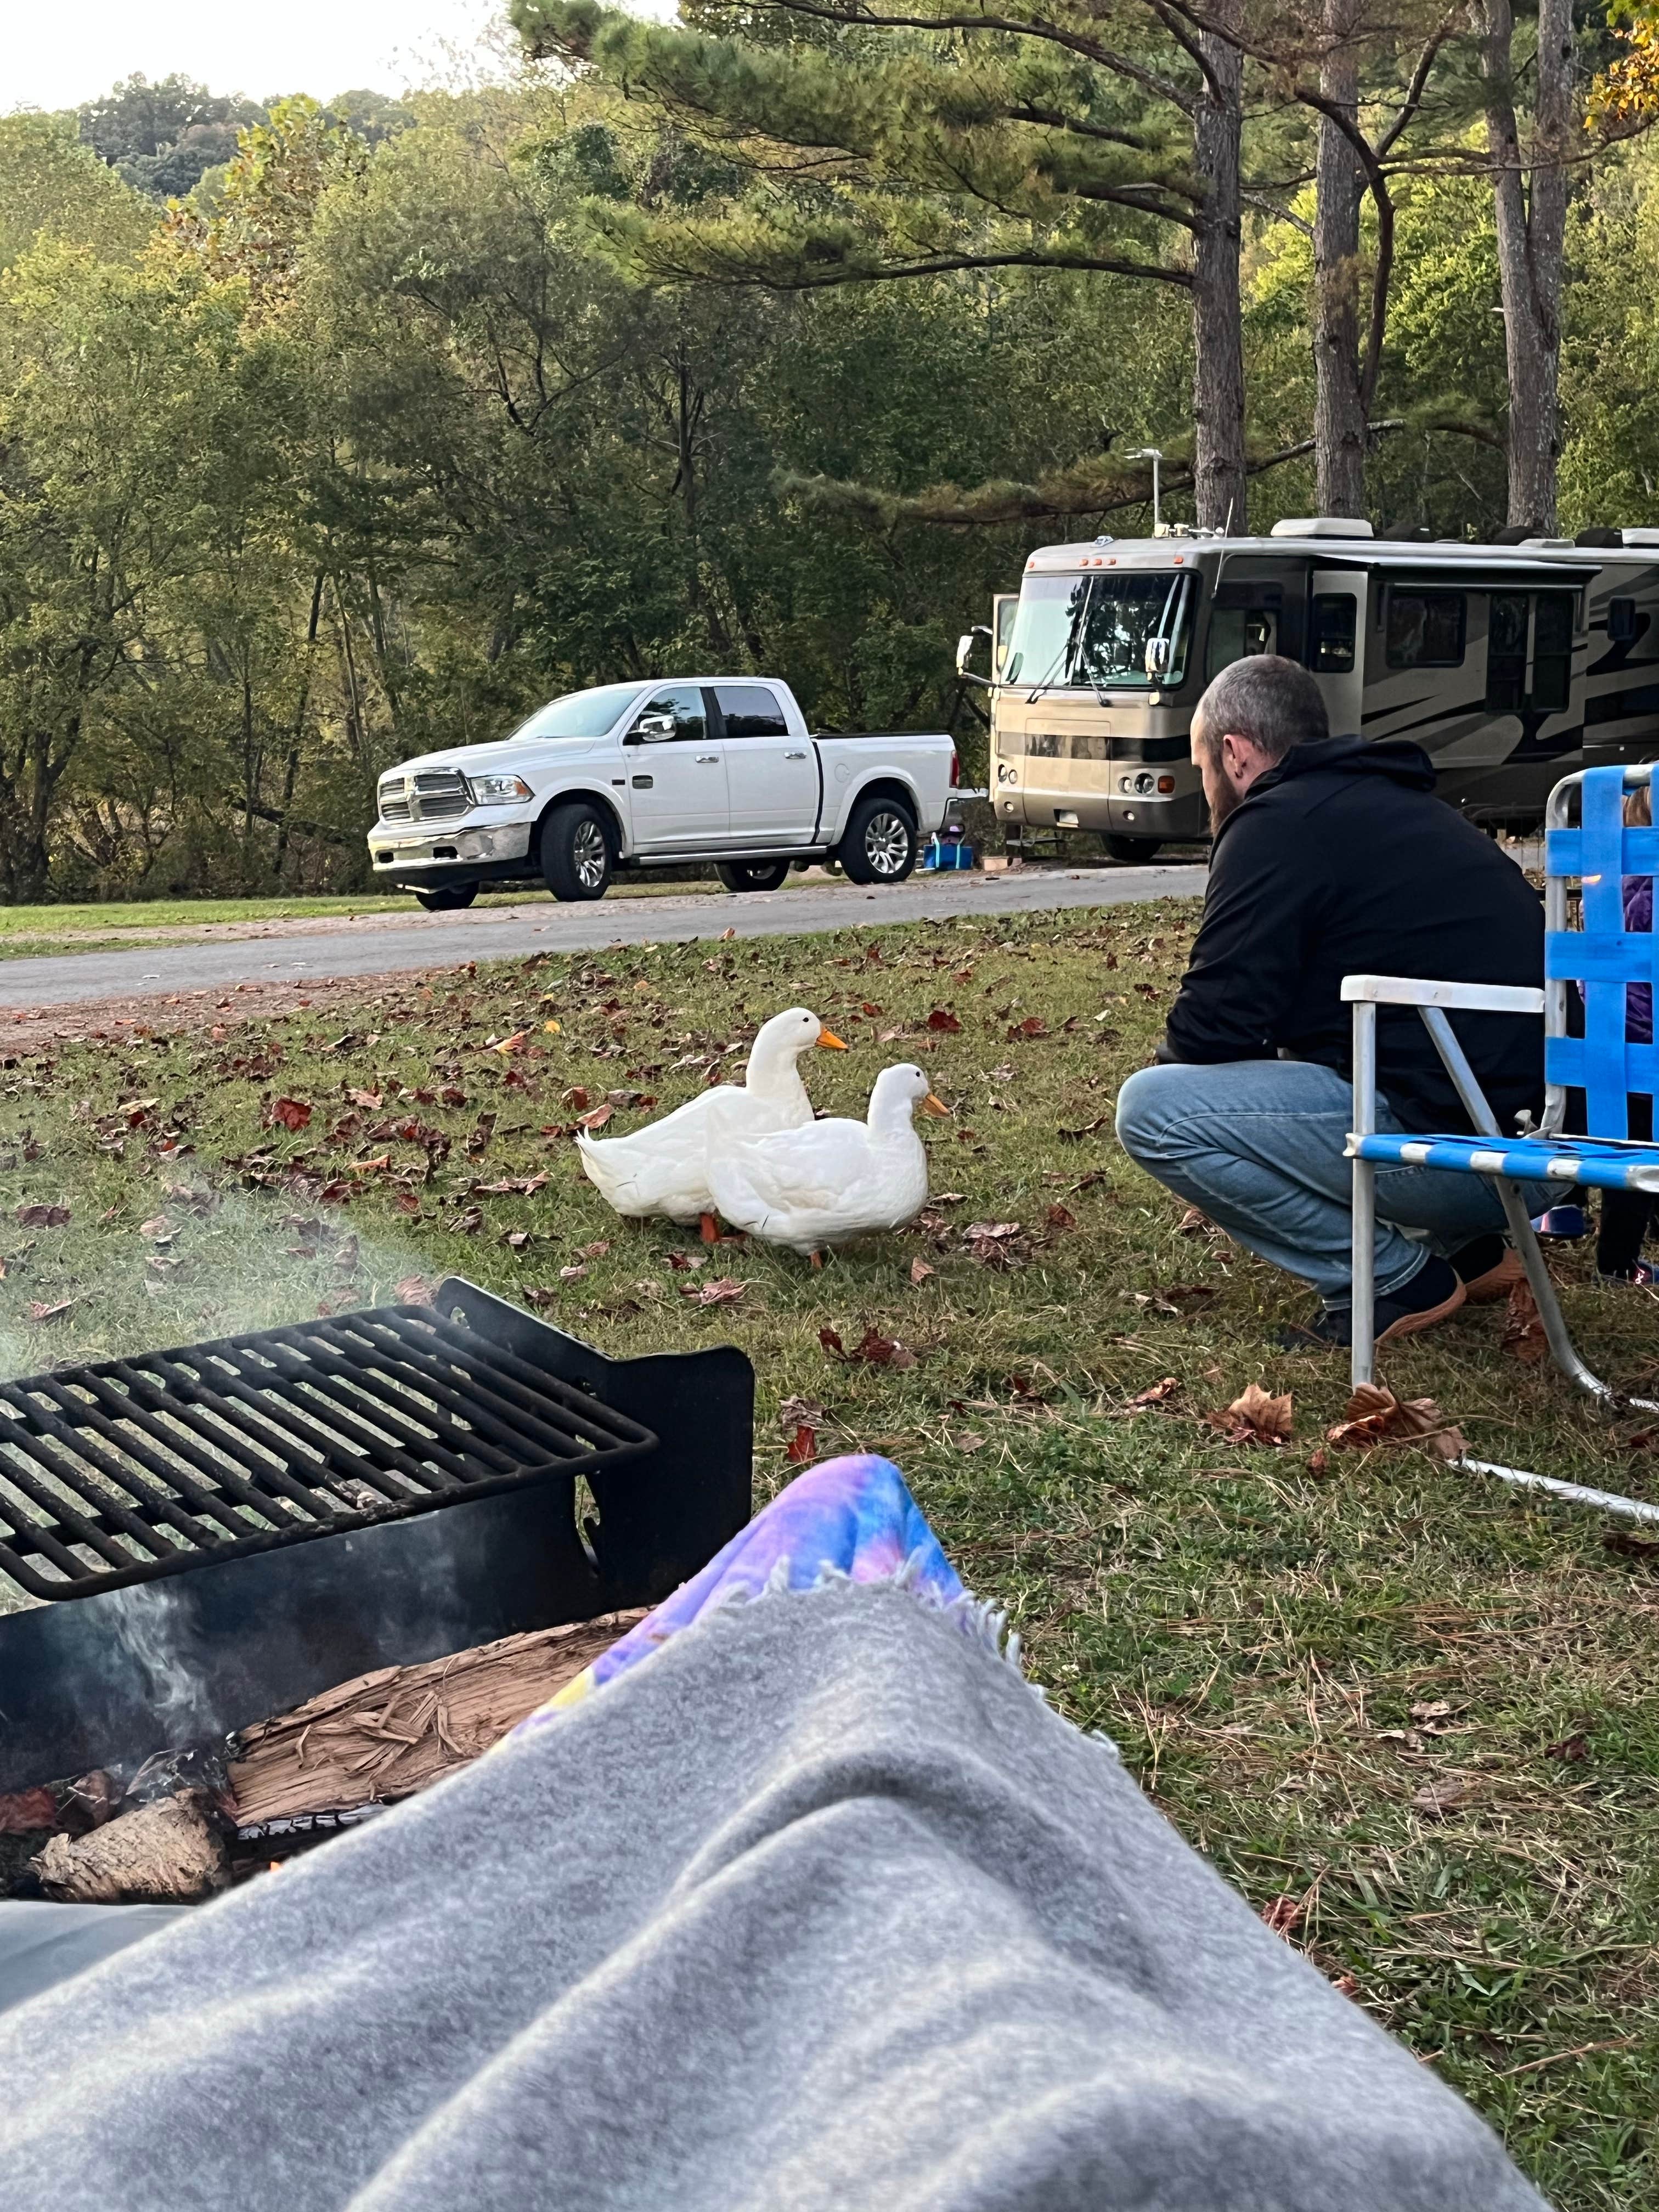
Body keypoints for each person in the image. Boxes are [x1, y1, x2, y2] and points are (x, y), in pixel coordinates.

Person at [1115, 654, 1549, 1346]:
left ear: (1234, 753)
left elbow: (1210, 1028)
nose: (1206, 789)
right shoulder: (1400, 807)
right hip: (1546, 1143)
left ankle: (1390, 1279)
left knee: (1153, 1111)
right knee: (1330, 1053)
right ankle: (1468, 1253)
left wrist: (1199, 1095)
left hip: (1467, 1158)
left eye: (1202, 768)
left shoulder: (1275, 824)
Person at [1594, 778, 1656, 1283]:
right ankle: (1618, 1262)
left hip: (1610, 1037)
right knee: (1641, 1154)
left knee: (1630, 1155)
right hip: (1646, 1037)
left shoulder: (1616, 883)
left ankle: (1617, 1261)